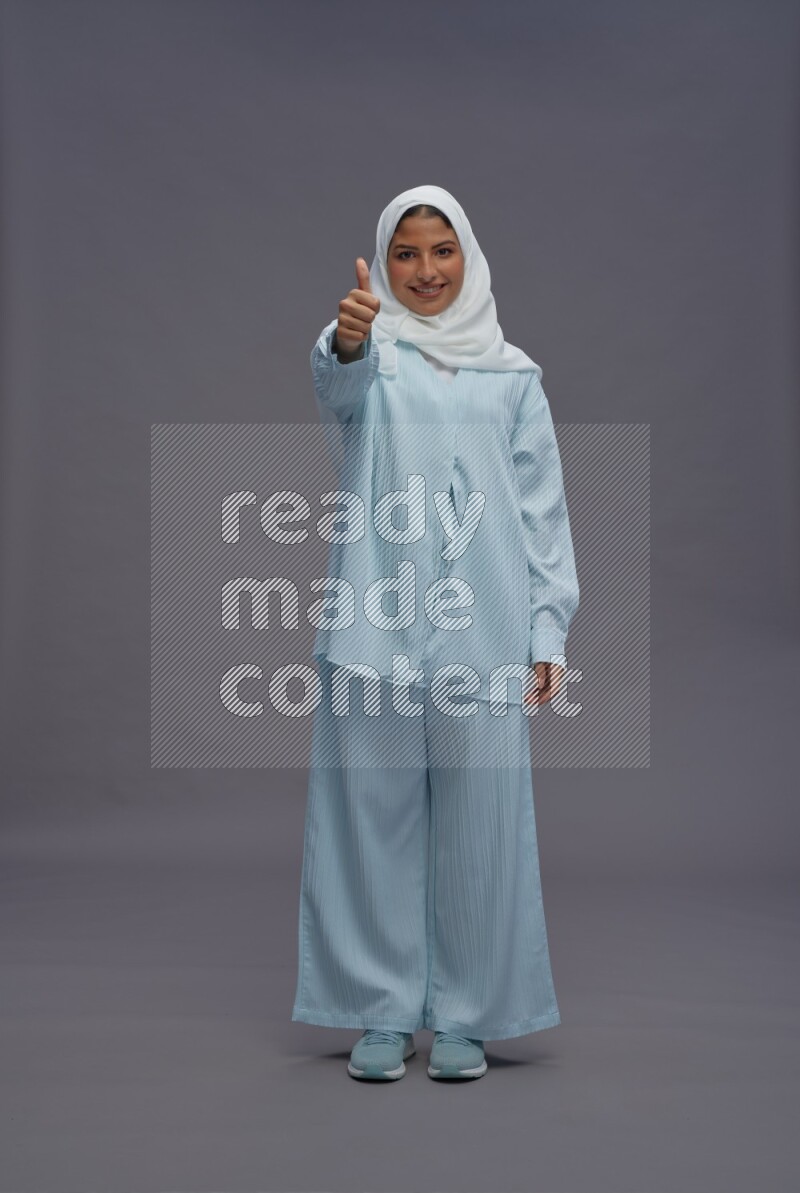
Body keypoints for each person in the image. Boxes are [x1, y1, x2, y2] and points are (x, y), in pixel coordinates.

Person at [291, 184, 579, 1081]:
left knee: (482, 825)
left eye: (441, 251)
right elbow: (333, 387)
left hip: (483, 632)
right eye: (405, 253)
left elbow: (543, 515)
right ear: (384, 263)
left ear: (470, 258)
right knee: (365, 817)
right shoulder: (370, 356)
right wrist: (346, 336)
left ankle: (468, 1013)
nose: (424, 270)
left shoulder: (513, 376)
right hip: (374, 626)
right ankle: (379, 1008)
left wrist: (546, 634)